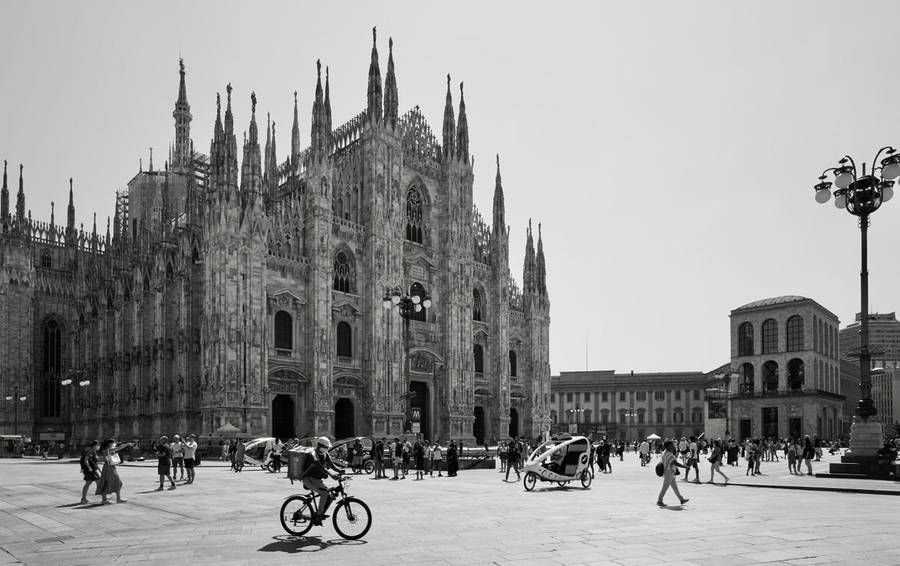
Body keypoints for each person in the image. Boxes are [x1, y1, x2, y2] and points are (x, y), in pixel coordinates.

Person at [302, 437, 343, 526]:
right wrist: (331, 475)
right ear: (319, 446)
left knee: (331, 496)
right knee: (324, 494)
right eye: (325, 447)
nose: (327, 449)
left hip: (317, 480)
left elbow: (331, 464)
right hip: (308, 479)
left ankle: (319, 514)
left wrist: (340, 470)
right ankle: (319, 515)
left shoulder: (325, 454)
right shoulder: (312, 454)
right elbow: (319, 466)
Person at [656, 440, 689, 507]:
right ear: (668, 446)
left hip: (667, 472)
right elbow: (675, 463)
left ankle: (681, 499)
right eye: (671, 445)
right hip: (669, 472)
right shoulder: (669, 454)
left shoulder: (664, 452)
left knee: (675, 487)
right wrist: (685, 467)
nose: (673, 446)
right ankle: (659, 500)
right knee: (665, 487)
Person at [96, 438, 130, 504]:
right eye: (113, 443)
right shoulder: (109, 450)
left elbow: (116, 446)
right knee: (116, 482)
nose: (114, 444)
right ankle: (115, 499)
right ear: (109, 444)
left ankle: (109, 499)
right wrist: (127, 444)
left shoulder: (106, 449)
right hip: (109, 467)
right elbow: (119, 447)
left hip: (109, 467)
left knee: (108, 482)